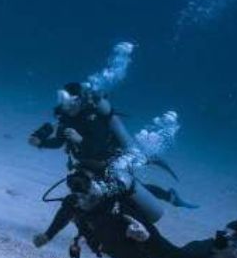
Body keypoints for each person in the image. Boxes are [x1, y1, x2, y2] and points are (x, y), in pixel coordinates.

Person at [32, 168, 228, 258]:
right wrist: (48, 235)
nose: (81, 198)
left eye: (85, 191)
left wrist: (142, 238)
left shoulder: (116, 205)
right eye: (76, 191)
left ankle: (216, 251)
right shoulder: (73, 202)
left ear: (94, 187)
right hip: (114, 245)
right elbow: (64, 217)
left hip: (140, 238)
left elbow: (133, 246)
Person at [28, 81, 194, 209]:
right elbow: (59, 142)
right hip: (85, 162)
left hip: (108, 161)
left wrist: (80, 140)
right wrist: (41, 143)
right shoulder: (65, 119)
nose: (63, 104)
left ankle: (168, 196)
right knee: (84, 191)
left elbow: (100, 145)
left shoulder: (92, 117)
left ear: (78, 100)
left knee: (127, 190)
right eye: (61, 99)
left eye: (66, 100)